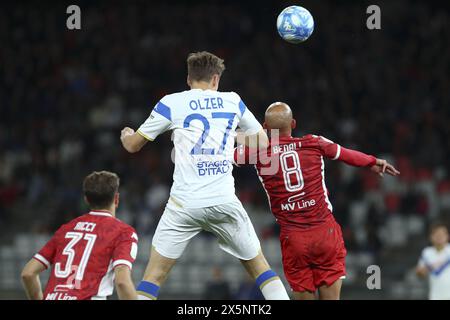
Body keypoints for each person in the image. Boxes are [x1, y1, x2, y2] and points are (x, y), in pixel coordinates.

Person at [120, 51, 289, 300]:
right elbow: (264, 143)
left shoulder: (171, 102)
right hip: (223, 201)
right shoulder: (232, 100)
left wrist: (126, 135)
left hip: (183, 205)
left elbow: (133, 146)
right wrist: (231, 135)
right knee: (260, 269)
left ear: (189, 80)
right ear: (216, 79)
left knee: (153, 277)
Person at [234, 102, 400, 300]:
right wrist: (373, 162)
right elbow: (346, 154)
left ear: (265, 127)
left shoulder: (257, 153)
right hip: (324, 232)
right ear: (293, 123)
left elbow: (226, 155)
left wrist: (241, 134)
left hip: (294, 239)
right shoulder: (314, 142)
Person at [21, 171, 138, 300]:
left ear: (86, 199)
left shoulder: (66, 229)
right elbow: (122, 282)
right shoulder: (123, 232)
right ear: (116, 199)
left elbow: (28, 273)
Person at [416, 222, 450, 300]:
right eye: (437, 234)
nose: (439, 237)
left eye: (442, 234)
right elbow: (420, 274)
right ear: (431, 237)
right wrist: (425, 269)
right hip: (435, 295)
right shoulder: (426, 252)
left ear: (447, 236)